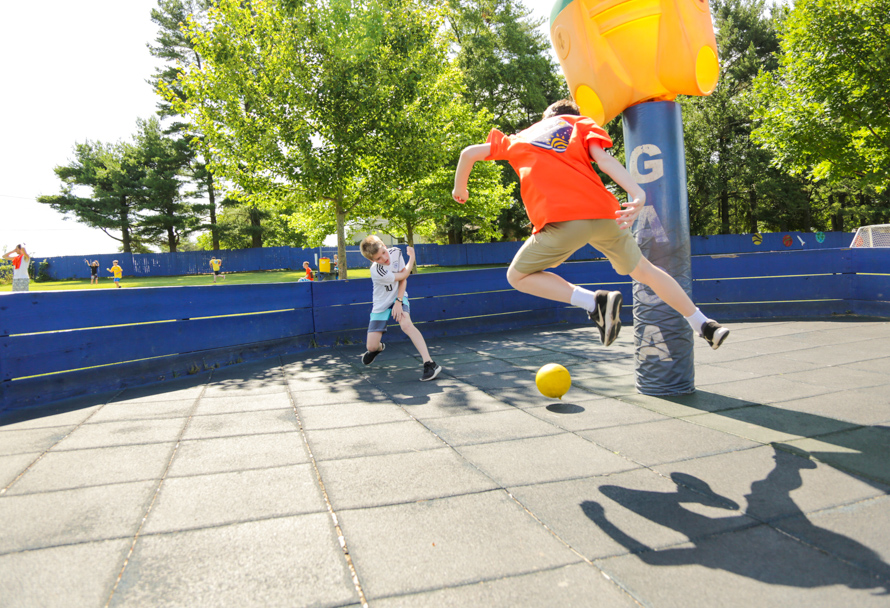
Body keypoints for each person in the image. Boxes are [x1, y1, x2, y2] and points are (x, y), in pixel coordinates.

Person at [452, 98, 729, 350]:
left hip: (563, 221)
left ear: (546, 117)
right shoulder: (580, 124)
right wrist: (638, 193)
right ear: (571, 115)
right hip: (605, 215)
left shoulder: (520, 138)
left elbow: (468, 153)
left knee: (517, 276)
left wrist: (460, 189)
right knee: (646, 270)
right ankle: (703, 323)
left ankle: (593, 301)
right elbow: (605, 160)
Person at [359, 236, 442, 381]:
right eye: (378, 258)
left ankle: (430, 364)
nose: (384, 259)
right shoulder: (377, 271)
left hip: (399, 296)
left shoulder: (396, 252)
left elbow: (403, 278)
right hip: (381, 303)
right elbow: (404, 274)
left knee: (406, 325)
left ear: (385, 246)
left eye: (384, 252)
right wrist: (412, 257)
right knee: (371, 346)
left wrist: (398, 301)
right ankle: (378, 348)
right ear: (372, 261)